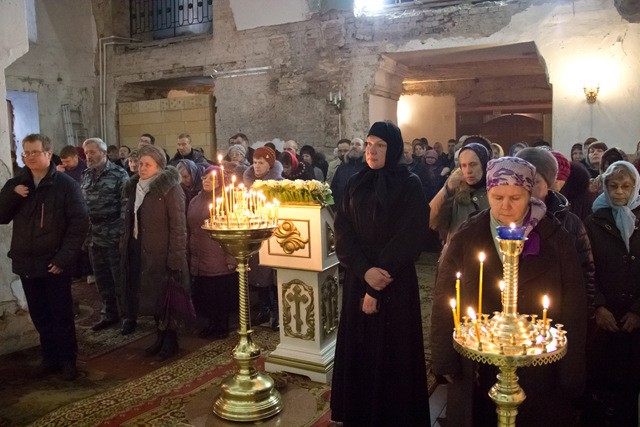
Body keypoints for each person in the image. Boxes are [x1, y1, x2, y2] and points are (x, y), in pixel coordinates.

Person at [431, 156, 587, 427]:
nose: (505, 206)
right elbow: (446, 296)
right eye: (497, 197)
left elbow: (574, 305)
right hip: (479, 361)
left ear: (529, 194)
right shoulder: (468, 235)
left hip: (536, 365)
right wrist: (444, 359)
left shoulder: (555, 237)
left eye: (515, 197)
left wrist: (570, 370)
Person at [330, 121, 430, 426]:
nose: (372, 151)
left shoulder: (410, 184)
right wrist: (364, 271)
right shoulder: (355, 181)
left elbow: (409, 236)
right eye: (369, 144)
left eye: (380, 145)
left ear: (394, 148)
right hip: (359, 276)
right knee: (360, 348)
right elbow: (343, 231)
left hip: (394, 281)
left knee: (392, 353)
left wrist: (376, 283)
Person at [0, 133, 88, 380]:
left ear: (49, 154)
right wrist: (13, 194)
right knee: (40, 315)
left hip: (53, 262)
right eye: (25, 152)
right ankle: (50, 358)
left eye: (35, 152)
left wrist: (63, 259)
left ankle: (67, 361)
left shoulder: (65, 185)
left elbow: (79, 224)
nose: (29, 157)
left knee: (61, 314)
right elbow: (1, 216)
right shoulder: (17, 184)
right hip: (27, 262)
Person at [584, 161, 640, 426]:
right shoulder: (594, 222)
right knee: (602, 378)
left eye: (626, 186)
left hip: (635, 319)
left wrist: (638, 310)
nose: (619, 192)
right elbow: (586, 267)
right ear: (604, 187)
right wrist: (598, 305)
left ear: (635, 188)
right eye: (613, 186)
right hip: (604, 317)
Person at [121, 144, 190, 359]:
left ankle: (171, 340)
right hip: (141, 249)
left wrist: (175, 257)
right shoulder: (135, 188)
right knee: (150, 295)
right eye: (140, 164)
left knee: (166, 297)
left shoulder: (170, 189)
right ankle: (159, 336)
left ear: (159, 167)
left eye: (147, 165)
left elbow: (178, 226)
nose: (142, 168)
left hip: (162, 251)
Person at [516, 147, 596, 316]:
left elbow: (584, 275)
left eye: (534, 182)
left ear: (548, 184)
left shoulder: (569, 223)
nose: (526, 188)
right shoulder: (504, 218)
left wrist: (583, 316)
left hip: (553, 315)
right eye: (520, 180)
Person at [81, 138, 130, 333]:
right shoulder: (86, 175)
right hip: (94, 235)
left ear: (103, 153)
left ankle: (127, 316)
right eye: (86, 153)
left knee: (119, 278)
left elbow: (125, 205)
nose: (88, 156)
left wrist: (121, 234)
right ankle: (109, 313)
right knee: (101, 278)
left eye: (92, 152)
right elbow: (83, 205)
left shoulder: (119, 174)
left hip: (113, 232)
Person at [187, 165, 238, 339]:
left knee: (219, 293)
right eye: (204, 178)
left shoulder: (226, 200)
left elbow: (232, 231)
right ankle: (211, 324)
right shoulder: (195, 200)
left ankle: (221, 325)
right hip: (199, 253)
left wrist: (231, 257)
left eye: (211, 179)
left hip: (218, 254)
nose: (206, 181)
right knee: (206, 293)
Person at [429, 142, 490, 244]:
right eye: (463, 165)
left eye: (473, 164)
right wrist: (447, 190)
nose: (468, 171)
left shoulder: (495, 190)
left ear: (484, 164)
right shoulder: (455, 188)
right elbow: (432, 220)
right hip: (457, 250)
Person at [330, 137, 366, 210]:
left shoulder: (367, 167)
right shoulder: (342, 166)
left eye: (358, 144)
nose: (354, 146)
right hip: (341, 209)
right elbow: (334, 187)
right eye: (352, 144)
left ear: (364, 149)